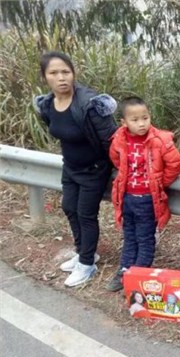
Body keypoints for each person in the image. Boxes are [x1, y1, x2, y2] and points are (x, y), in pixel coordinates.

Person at [34, 51, 117, 287]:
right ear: (45, 77)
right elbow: (58, 131)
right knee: (68, 207)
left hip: (94, 169)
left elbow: (112, 141)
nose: (61, 78)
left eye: (66, 72)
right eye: (54, 73)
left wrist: (116, 170)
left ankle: (87, 264)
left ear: (73, 74)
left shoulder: (90, 104)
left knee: (85, 214)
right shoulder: (47, 104)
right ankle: (83, 252)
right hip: (70, 166)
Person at [105, 97, 180, 292]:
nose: (141, 123)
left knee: (145, 238)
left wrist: (158, 183)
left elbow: (176, 163)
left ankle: (138, 277)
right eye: (135, 120)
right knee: (129, 237)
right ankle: (124, 271)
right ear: (124, 123)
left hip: (148, 199)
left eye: (145, 118)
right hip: (127, 197)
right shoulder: (119, 139)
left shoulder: (159, 140)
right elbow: (115, 158)